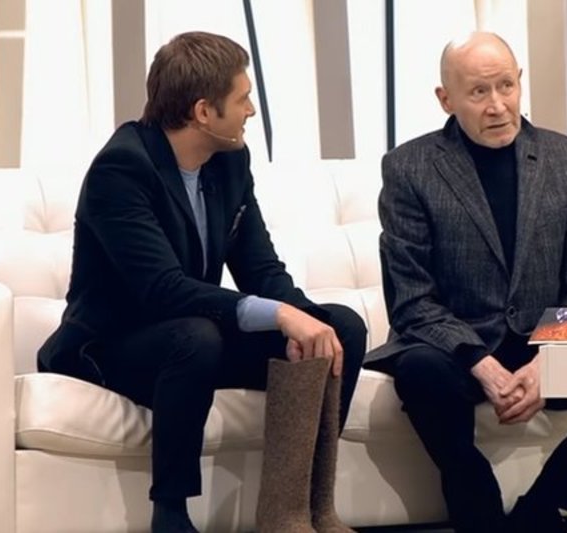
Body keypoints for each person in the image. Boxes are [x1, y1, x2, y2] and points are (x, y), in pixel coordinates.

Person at [37, 31, 365, 533]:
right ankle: (170, 514)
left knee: (340, 328)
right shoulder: (121, 168)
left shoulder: (230, 161)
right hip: (112, 345)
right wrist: (280, 315)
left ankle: (298, 509)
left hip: (192, 339)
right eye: (243, 98)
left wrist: (305, 319)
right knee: (196, 336)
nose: (251, 110)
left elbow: (261, 269)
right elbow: (162, 289)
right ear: (204, 112)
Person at [365, 31, 567, 533]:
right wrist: (481, 364)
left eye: (506, 86)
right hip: (456, 349)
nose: (497, 106)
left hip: (540, 341)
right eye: (478, 92)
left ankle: (538, 510)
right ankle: (479, 512)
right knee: (420, 371)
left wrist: (549, 361)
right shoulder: (409, 168)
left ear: (520, 82)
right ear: (445, 99)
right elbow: (411, 299)